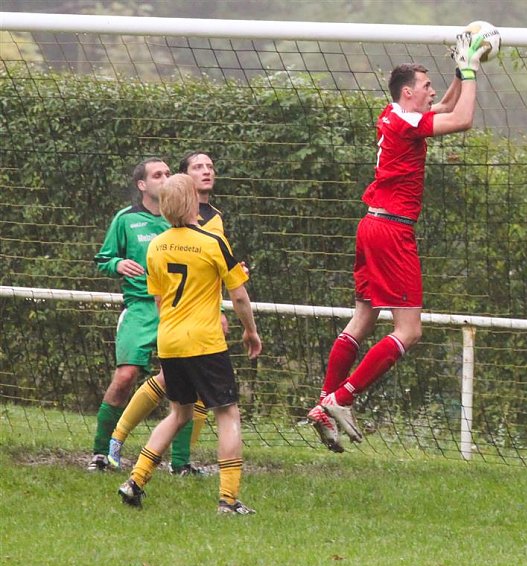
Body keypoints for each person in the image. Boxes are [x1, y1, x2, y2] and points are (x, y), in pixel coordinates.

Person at [306, 31, 492, 451]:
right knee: (409, 331)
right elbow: (461, 119)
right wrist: (468, 71)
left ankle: (322, 404)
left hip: (372, 224)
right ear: (408, 92)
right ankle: (342, 399)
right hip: (392, 231)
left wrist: (462, 70)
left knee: (363, 319)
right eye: (425, 87)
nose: (431, 93)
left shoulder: (396, 114)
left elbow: (444, 106)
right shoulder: (407, 120)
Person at [118, 173, 261, 514]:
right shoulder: (212, 242)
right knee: (227, 413)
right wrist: (250, 331)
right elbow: (239, 296)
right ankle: (228, 500)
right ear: (194, 201)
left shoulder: (156, 246)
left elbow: (158, 300)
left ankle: (135, 480)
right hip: (205, 342)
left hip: (169, 341)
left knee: (178, 412)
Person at [107, 151, 230, 474]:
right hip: (180, 320)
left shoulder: (213, 217)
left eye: (210, 166)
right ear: (184, 178)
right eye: (197, 167)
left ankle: (177, 463)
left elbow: (212, 267)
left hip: (198, 317)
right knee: (176, 391)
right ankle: (117, 439)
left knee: (191, 399)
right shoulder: (172, 223)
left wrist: (218, 302)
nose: (206, 172)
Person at [88, 158, 172, 471]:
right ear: (142, 185)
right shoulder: (125, 220)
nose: (165, 178)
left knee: (180, 380)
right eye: (157, 174)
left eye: (168, 173)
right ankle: (101, 452)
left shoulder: (182, 219)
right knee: (125, 376)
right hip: (140, 308)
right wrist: (117, 264)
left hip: (176, 310)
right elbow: (103, 259)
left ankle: (179, 462)